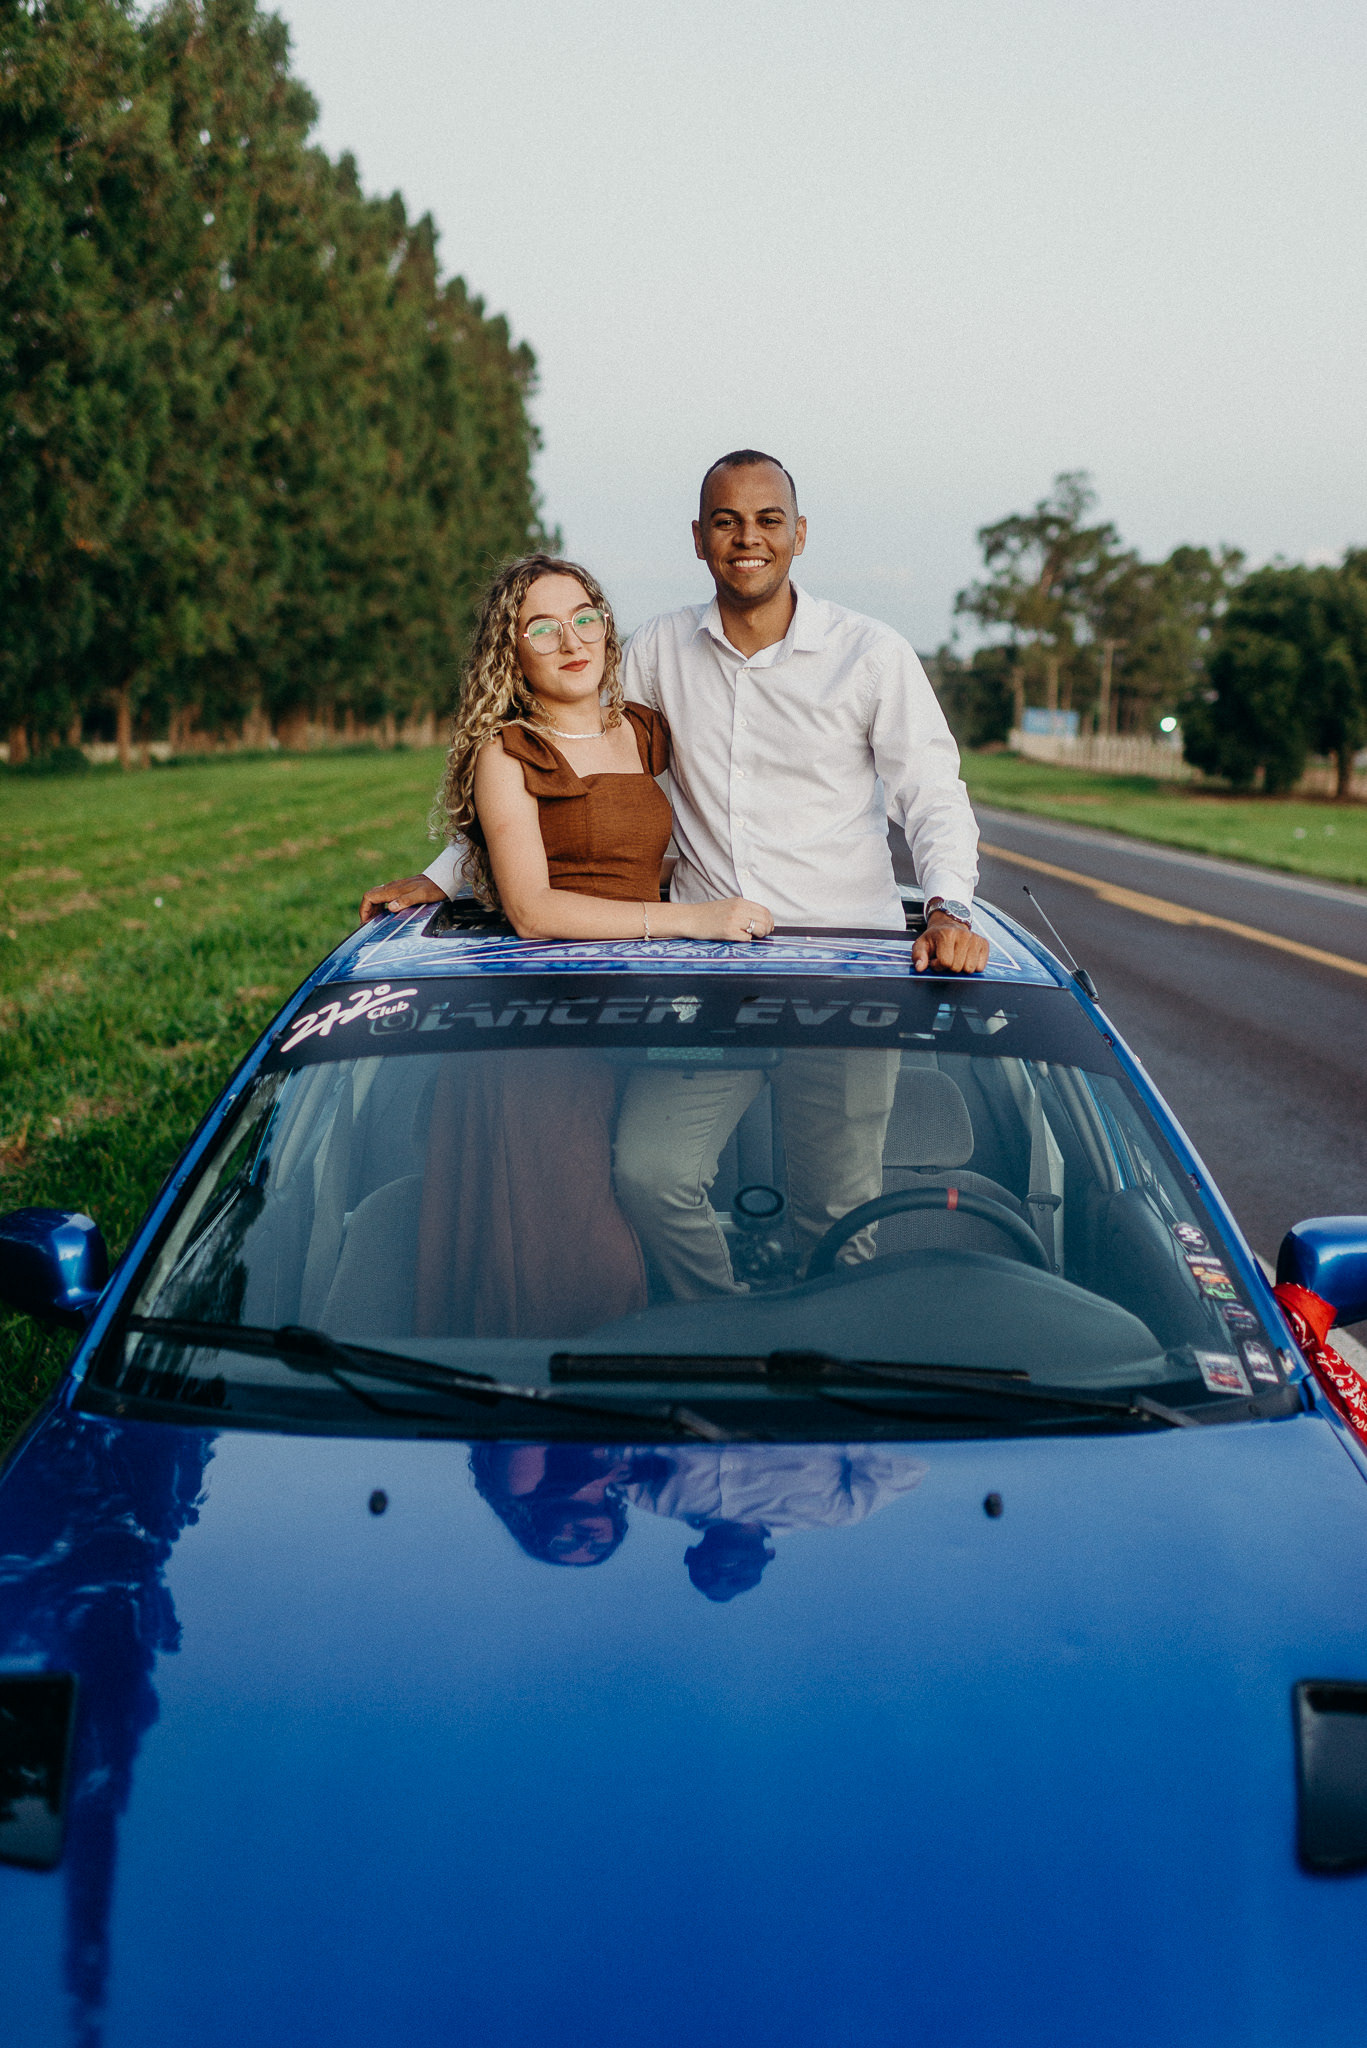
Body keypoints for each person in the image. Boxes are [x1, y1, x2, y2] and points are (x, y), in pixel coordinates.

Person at [362, 456, 988, 1294]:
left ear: (799, 534)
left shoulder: (869, 654)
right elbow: (569, 755)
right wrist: (448, 875)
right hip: (710, 974)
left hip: (840, 975)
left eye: (768, 520)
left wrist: (947, 908)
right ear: (699, 538)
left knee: (835, 1217)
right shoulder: (660, 648)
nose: (747, 538)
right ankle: (728, 1323)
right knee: (651, 1173)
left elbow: (933, 796)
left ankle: (820, 1353)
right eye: (726, 521)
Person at [362, 551, 773, 944]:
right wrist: (694, 918)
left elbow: (628, 864)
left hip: (645, 959)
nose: (572, 643)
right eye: (544, 630)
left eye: (584, 620)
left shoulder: (640, 729)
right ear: (511, 652)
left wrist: (716, 877)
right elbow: (531, 912)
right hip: (564, 964)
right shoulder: (508, 752)